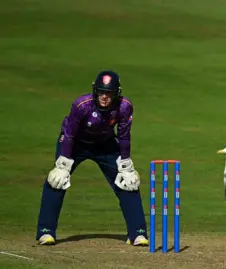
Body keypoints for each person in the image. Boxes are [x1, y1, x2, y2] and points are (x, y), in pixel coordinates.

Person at [36, 70, 148, 247]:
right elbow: (69, 133)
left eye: (108, 93)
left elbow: (124, 135)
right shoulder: (82, 105)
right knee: (57, 180)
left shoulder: (124, 106)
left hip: (105, 144)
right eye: (101, 92)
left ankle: (138, 233)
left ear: (116, 93)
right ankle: (46, 232)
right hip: (76, 144)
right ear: (95, 91)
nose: (104, 97)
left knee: (128, 182)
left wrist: (126, 163)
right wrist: (63, 162)